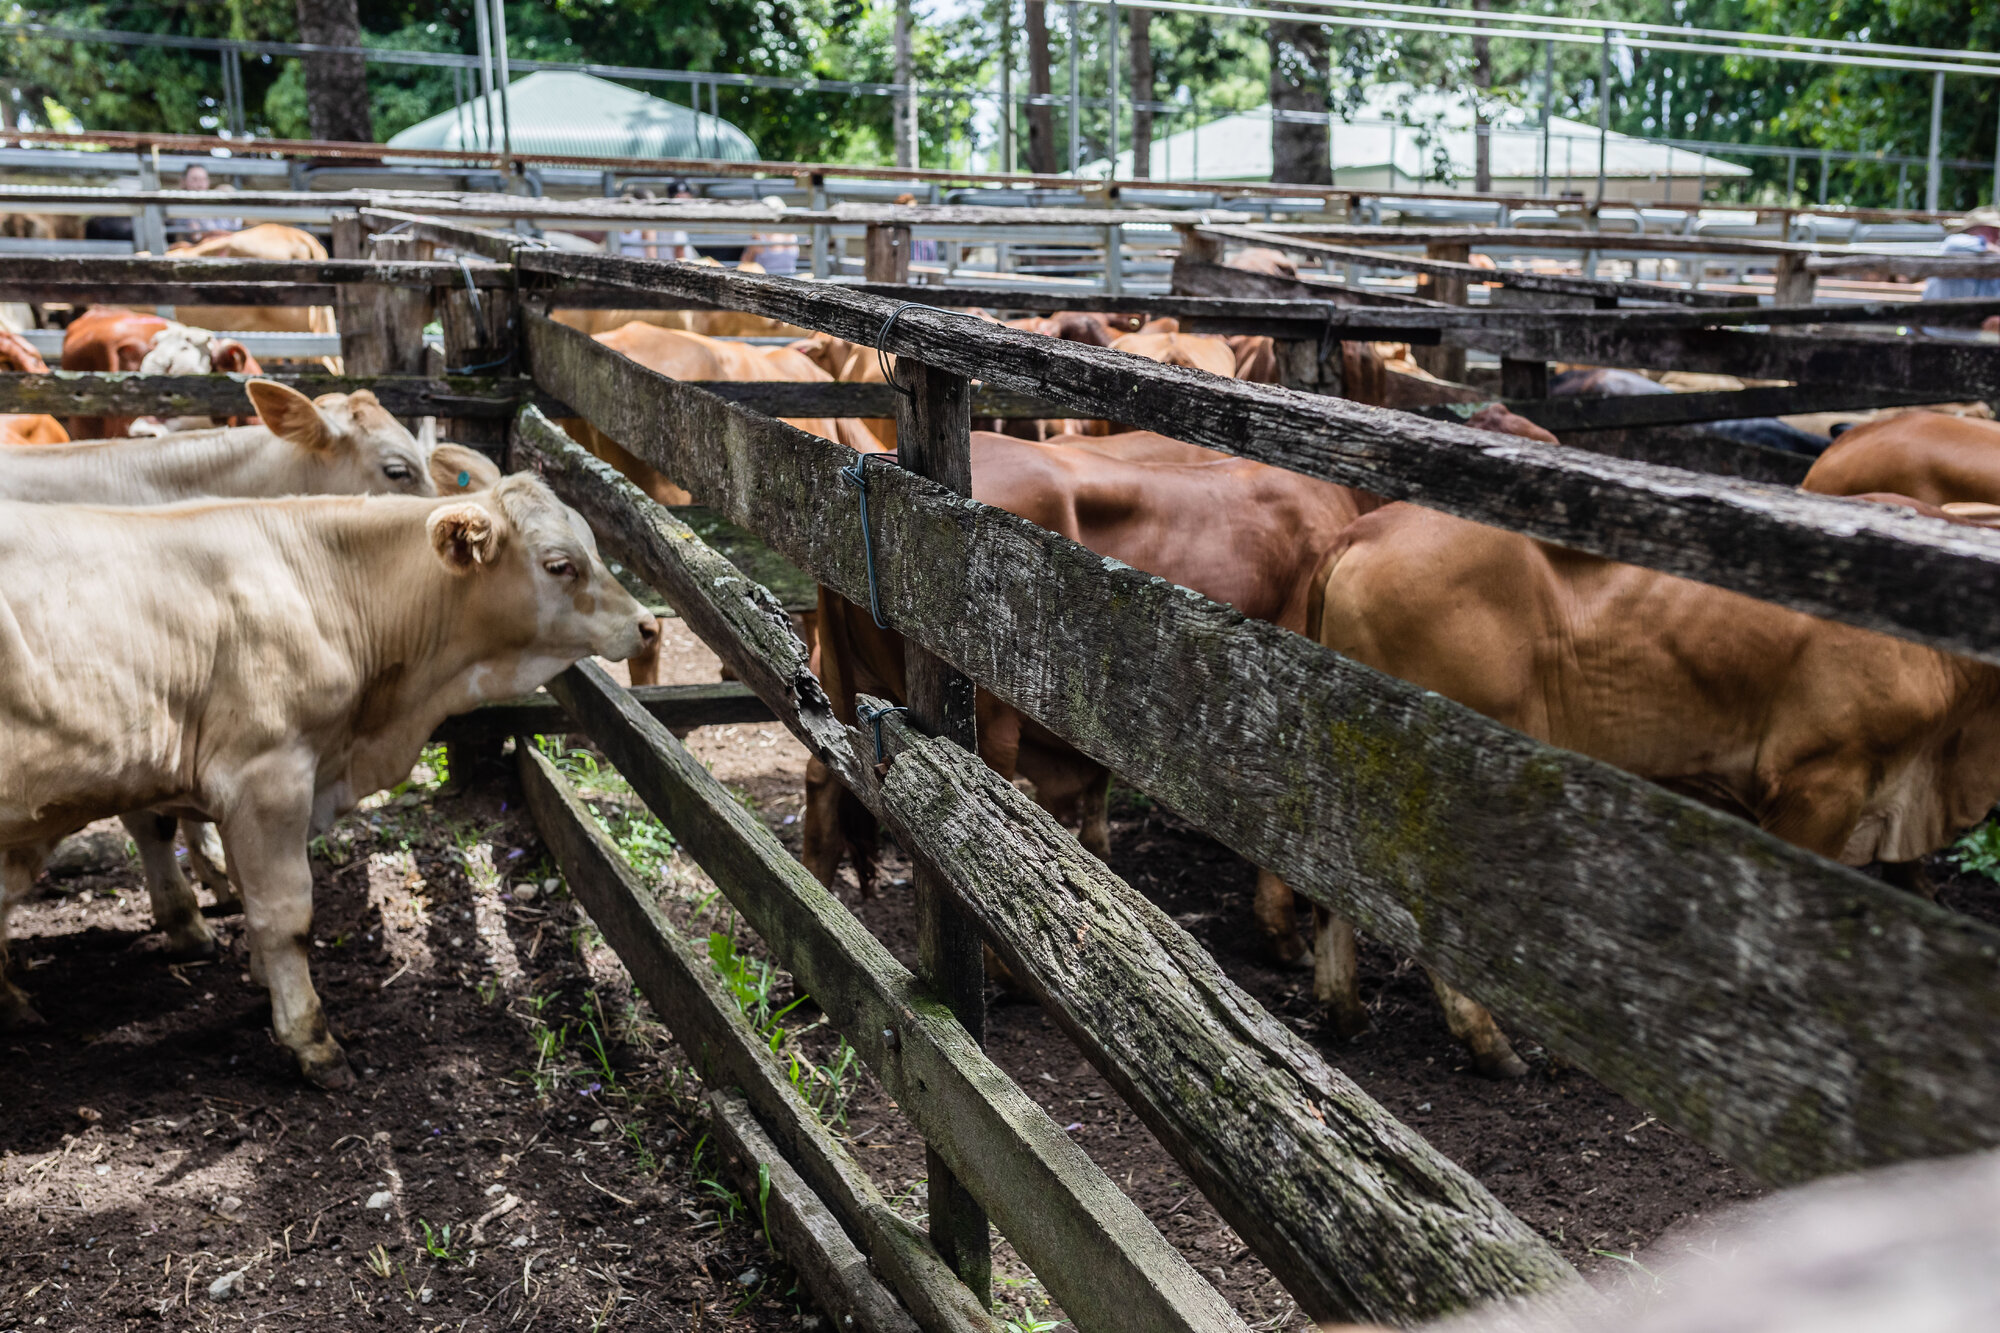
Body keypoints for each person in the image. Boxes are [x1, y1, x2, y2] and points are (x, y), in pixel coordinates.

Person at [168, 164, 241, 243]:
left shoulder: (216, 203)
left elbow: (235, 227)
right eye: (195, 180)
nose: (200, 185)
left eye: (203, 179)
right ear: (183, 182)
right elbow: (196, 237)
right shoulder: (179, 209)